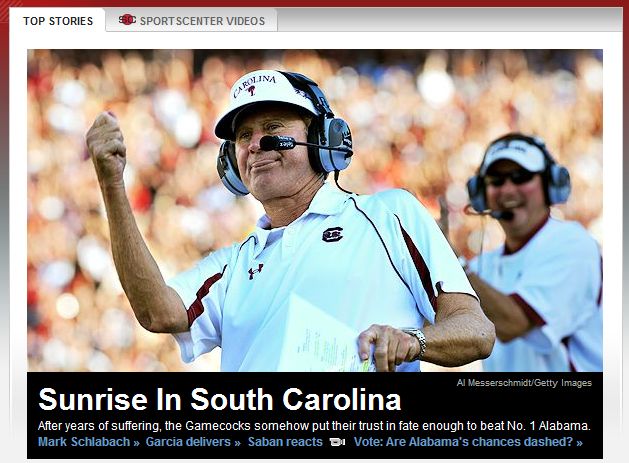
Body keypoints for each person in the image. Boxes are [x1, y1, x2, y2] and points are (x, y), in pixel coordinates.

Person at [86, 69, 495, 372]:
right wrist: (112, 185)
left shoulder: (389, 214)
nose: (255, 144)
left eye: (273, 127)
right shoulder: (231, 265)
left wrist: (414, 341)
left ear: (325, 139)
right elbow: (157, 313)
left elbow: (476, 331)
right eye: (243, 136)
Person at [464, 133, 602, 372]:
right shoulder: (480, 267)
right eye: (496, 180)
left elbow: (513, 323)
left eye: (521, 177)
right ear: (480, 193)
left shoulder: (573, 244)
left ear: (552, 185)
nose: (507, 190)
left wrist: (454, 265)